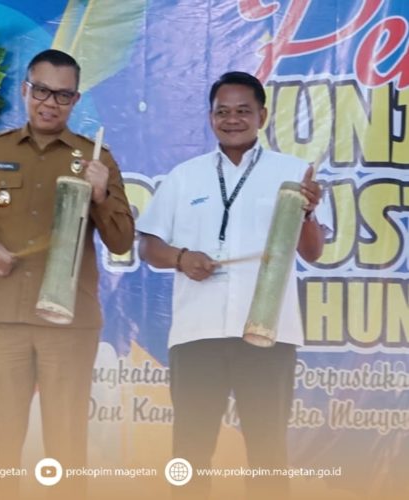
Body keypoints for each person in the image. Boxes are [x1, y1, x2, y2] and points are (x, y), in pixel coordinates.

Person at [0, 49, 134, 496]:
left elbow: (122, 242)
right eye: (41, 90)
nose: (50, 102)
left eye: (62, 95)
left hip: (68, 324)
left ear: (76, 100)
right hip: (3, 319)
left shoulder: (96, 158)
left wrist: (102, 193)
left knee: (67, 450)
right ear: (25, 89)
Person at [137, 71, 324, 499]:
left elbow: (312, 253)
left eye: (243, 111)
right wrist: (182, 259)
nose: (232, 119)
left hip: (267, 335)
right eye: (223, 111)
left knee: (267, 450)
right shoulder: (184, 176)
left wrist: (308, 212)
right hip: (197, 332)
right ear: (210, 117)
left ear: (262, 115)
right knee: (189, 450)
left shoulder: (294, 173)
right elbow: (149, 246)